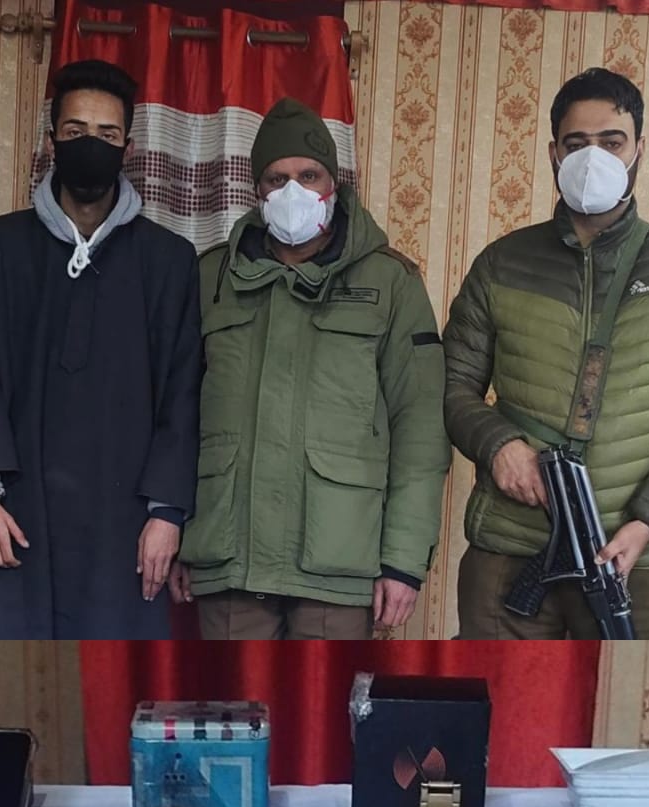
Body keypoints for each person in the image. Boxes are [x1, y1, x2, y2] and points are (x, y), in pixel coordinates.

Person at [168, 98, 451, 640]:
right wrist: (180, 532)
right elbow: (178, 415)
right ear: (257, 189)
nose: (292, 191)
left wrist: (403, 562)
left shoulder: (391, 282)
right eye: (277, 179)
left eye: (308, 176)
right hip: (228, 559)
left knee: (326, 695)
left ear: (333, 183)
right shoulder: (211, 277)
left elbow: (421, 428)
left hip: (339, 565)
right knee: (233, 691)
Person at [0, 60, 201, 639]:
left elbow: (183, 394)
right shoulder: (1, 246)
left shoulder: (168, 261)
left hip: (126, 522)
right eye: (76, 131)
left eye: (107, 135)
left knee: (117, 668)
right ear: (51, 141)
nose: (91, 145)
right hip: (15, 514)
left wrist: (166, 514)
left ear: (128, 148)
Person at [443, 67, 649, 639]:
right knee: (496, 688)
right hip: (510, 545)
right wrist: (498, 444)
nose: (593, 158)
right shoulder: (502, 262)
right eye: (576, 143)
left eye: (612, 142)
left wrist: (647, 522)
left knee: (621, 694)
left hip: (632, 557)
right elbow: (451, 385)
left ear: (639, 150)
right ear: (553, 153)